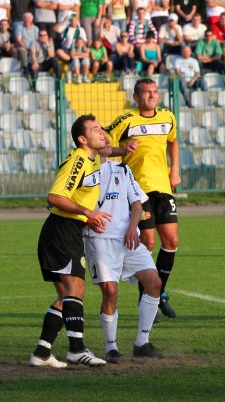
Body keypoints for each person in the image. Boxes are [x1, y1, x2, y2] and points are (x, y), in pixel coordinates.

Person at [29, 114, 110, 368]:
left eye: (101, 128)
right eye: (95, 129)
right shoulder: (78, 160)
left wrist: (86, 219)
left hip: (65, 230)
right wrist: (87, 213)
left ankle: (42, 353)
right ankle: (76, 349)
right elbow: (54, 196)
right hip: (62, 232)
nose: (101, 131)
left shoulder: (90, 160)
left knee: (67, 295)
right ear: (82, 139)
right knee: (75, 290)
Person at [106, 78, 181, 320]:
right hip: (138, 189)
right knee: (148, 242)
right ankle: (147, 297)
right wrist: (121, 151)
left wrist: (175, 170)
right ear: (136, 97)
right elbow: (103, 145)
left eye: (154, 92)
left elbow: (173, 142)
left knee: (171, 240)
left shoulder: (168, 117)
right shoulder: (126, 121)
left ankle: (158, 294)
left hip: (163, 187)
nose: (151, 96)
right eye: (146, 92)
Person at [84, 135, 163, 362]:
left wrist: (132, 228)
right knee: (110, 292)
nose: (105, 139)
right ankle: (111, 347)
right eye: (101, 136)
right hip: (100, 239)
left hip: (129, 238)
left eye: (107, 138)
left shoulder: (124, 171)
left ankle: (142, 343)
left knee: (154, 282)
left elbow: (137, 205)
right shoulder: (87, 171)